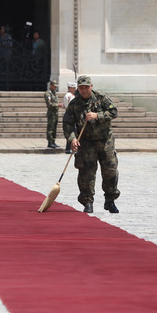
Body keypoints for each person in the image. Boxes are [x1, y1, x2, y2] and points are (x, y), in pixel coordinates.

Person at [63, 75, 120, 214]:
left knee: (110, 171)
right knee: (86, 173)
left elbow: (113, 112)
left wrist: (97, 115)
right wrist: (72, 139)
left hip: (105, 140)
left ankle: (110, 200)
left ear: (91, 86)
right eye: (81, 88)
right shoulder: (74, 104)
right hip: (86, 142)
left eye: (86, 87)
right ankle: (87, 201)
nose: (83, 90)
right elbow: (67, 124)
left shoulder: (101, 98)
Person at [44, 80, 60, 149]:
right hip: (51, 113)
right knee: (50, 127)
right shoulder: (48, 94)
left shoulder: (54, 93)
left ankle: (53, 141)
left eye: (56, 86)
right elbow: (49, 104)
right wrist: (57, 105)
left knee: (54, 127)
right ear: (50, 85)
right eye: (54, 86)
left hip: (55, 113)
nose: (55, 87)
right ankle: (50, 142)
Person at [62, 82, 76, 153]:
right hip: (71, 115)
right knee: (71, 132)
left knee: (73, 131)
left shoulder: (69, 95)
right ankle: (69, 148)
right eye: (73, 88)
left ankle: (71, 147)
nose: (75, 89)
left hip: (71, 114)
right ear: (70, 88)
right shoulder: (69, 96)